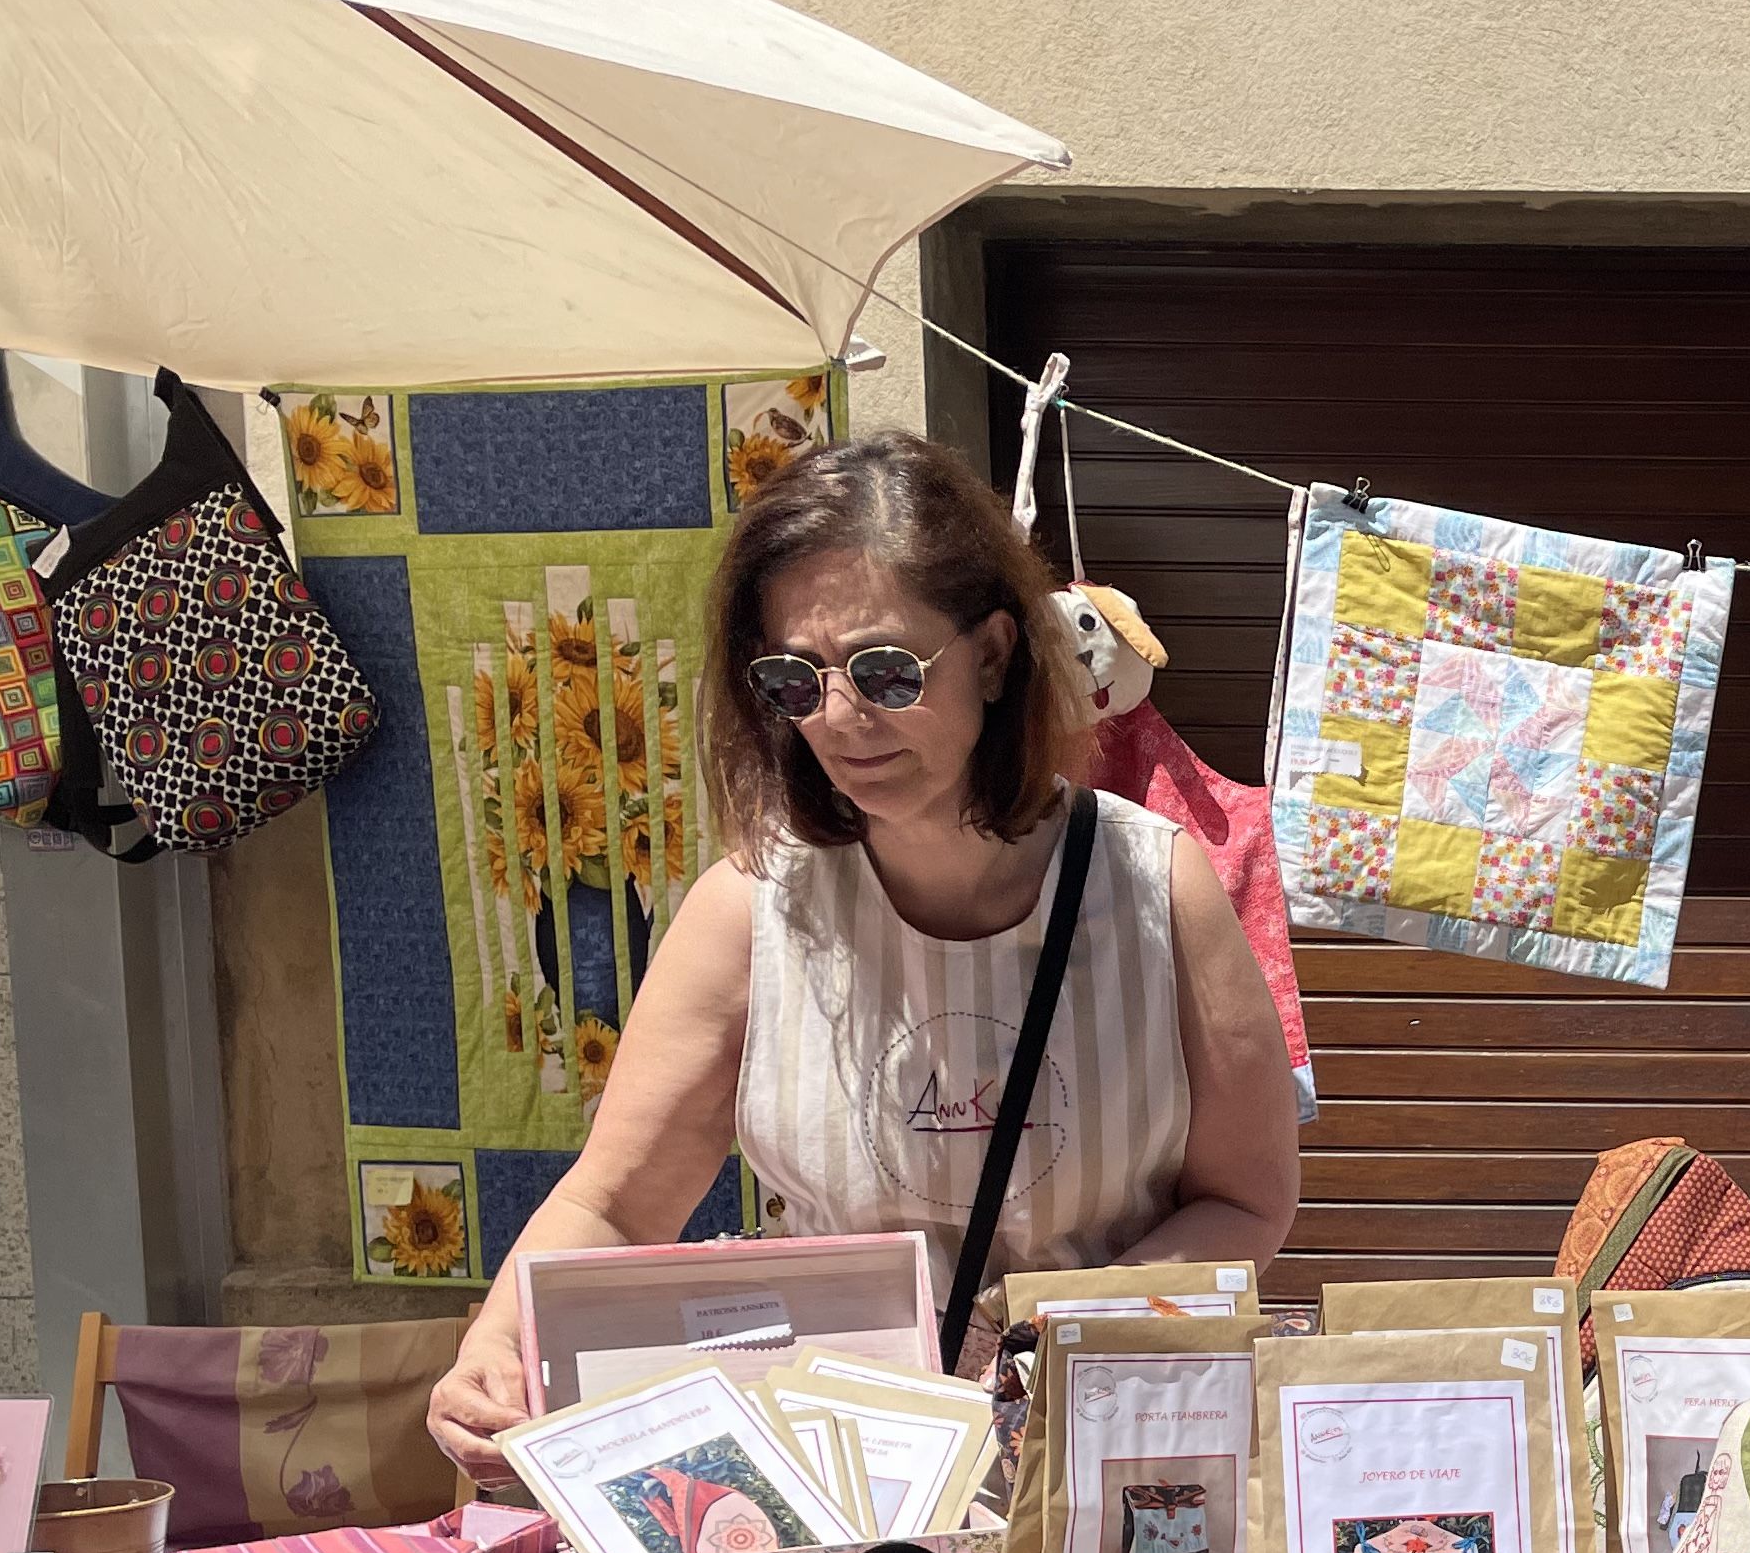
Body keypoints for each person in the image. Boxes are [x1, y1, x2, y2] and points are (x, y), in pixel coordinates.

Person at [427, 433, 1301, 1480]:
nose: (839, 720)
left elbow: (1247, 1199)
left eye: (887, 672)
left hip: (1113, 1464)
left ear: (991, 652)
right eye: (794, 680)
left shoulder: (1160, 887)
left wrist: (1059, 1345)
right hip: (847, 1488)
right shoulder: (748, 913)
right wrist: (496, 1346)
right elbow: (614, 1202)